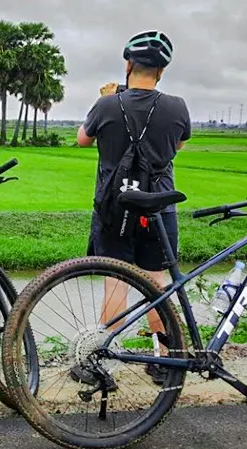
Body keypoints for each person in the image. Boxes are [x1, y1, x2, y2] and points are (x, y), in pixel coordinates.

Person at [75, 30, 191, 386]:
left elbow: (83, 140)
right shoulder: (177, 106)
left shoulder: (108, 104)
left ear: (128, 64)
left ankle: (99, 358)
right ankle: (163, 359)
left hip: (115, 208)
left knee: (116, 282)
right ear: (162, 71)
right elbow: (179, 145)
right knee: (157, 280)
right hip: (158, 208)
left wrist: (111, 98)